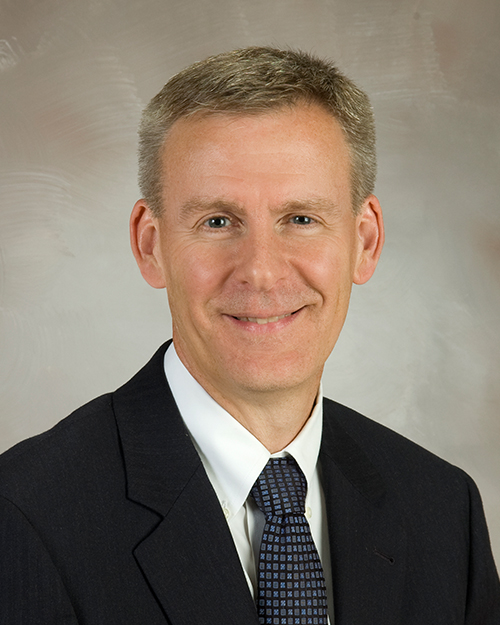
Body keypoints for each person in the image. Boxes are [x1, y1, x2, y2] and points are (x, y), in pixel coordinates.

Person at [0, 47, 499, 625]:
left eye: (301, 219)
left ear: (364, 242)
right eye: (217, 221)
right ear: (150, 244)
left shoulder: (442, 511)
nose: (261, 271)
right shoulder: (24, 517)